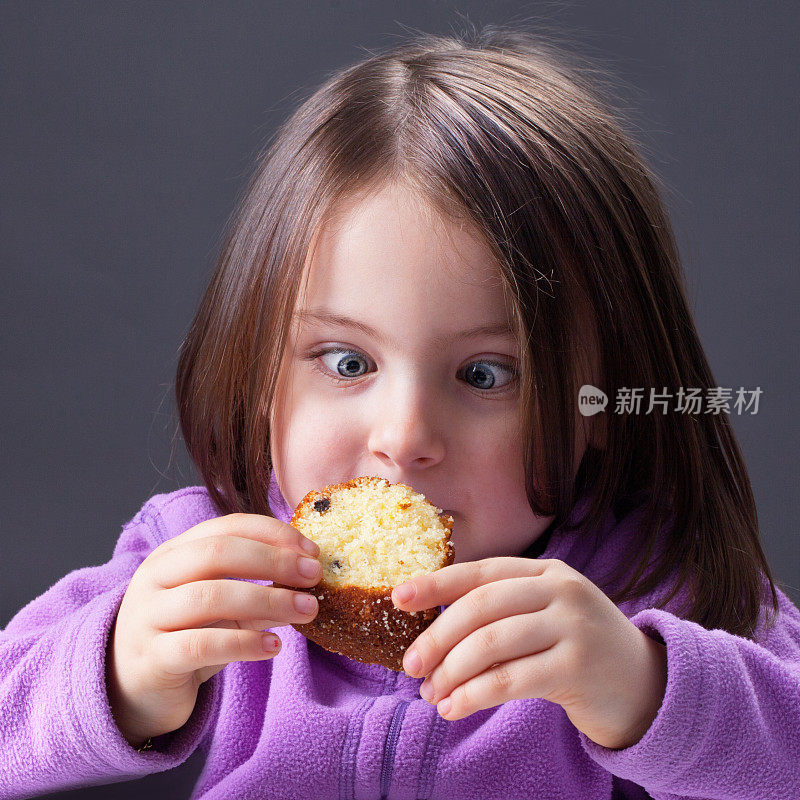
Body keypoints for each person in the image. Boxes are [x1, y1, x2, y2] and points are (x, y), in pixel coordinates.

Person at [1, 26, 798, 800]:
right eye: (348, 363)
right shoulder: (198, 560)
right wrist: (117, 672)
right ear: (257, 374)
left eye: (486, 375)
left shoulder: (659, 582)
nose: (406, 438)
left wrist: (650, 691)